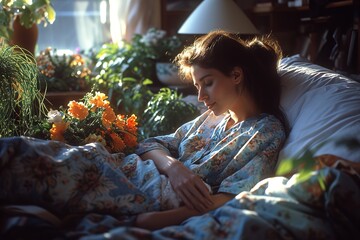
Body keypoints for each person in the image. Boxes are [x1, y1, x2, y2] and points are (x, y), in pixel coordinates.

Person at [0, 30, 287, 232]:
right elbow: (151, 144)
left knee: (22, 160)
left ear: (236, 75)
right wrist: (174, 167)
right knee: (23, 150)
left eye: (207, 83)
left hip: (143, 192)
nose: (201, 97)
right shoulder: (209, 120)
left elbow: (230, 198)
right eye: (198, 86)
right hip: (125, 168)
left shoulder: (265, 131)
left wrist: (147, 222)